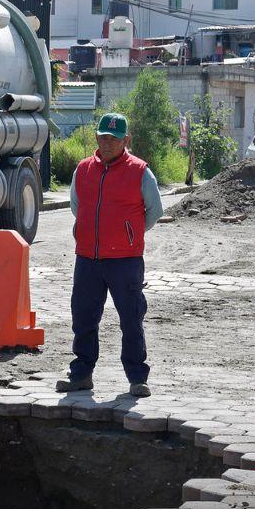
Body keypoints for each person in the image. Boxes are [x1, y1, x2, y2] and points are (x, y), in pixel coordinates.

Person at [57, 112, 164, 398]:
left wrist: (129, 234)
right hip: (88, 258)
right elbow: (76, 206)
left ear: (126, 140)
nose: (107, 143)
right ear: (96, 138)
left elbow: (155, 211)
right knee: (83, 317)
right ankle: (81, 375)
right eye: (103, 137)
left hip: (125, 261)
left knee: (131, 318)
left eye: (114, 139)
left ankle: (137, 378)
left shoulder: (140, 171)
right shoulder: (83, 169)